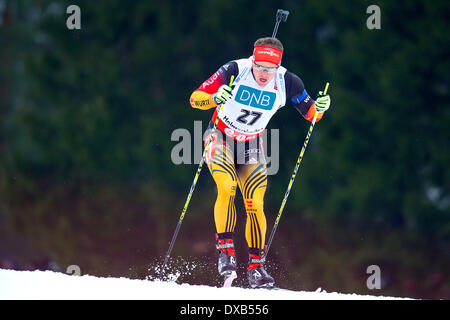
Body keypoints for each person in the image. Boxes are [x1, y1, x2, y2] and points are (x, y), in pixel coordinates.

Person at [189, 37, 331, 288]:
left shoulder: (288, 81)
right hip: (220, 136)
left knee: (255, 203)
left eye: (270, 69)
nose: (264, 74)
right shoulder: (234, 70)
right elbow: (195, 99)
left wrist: (321, 107)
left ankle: (256, 269)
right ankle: (226, 253)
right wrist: (214, 98)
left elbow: (310, 113)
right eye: (260, 67)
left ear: (278, 67)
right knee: (227, 187)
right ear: (252, 61)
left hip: (251, 144)